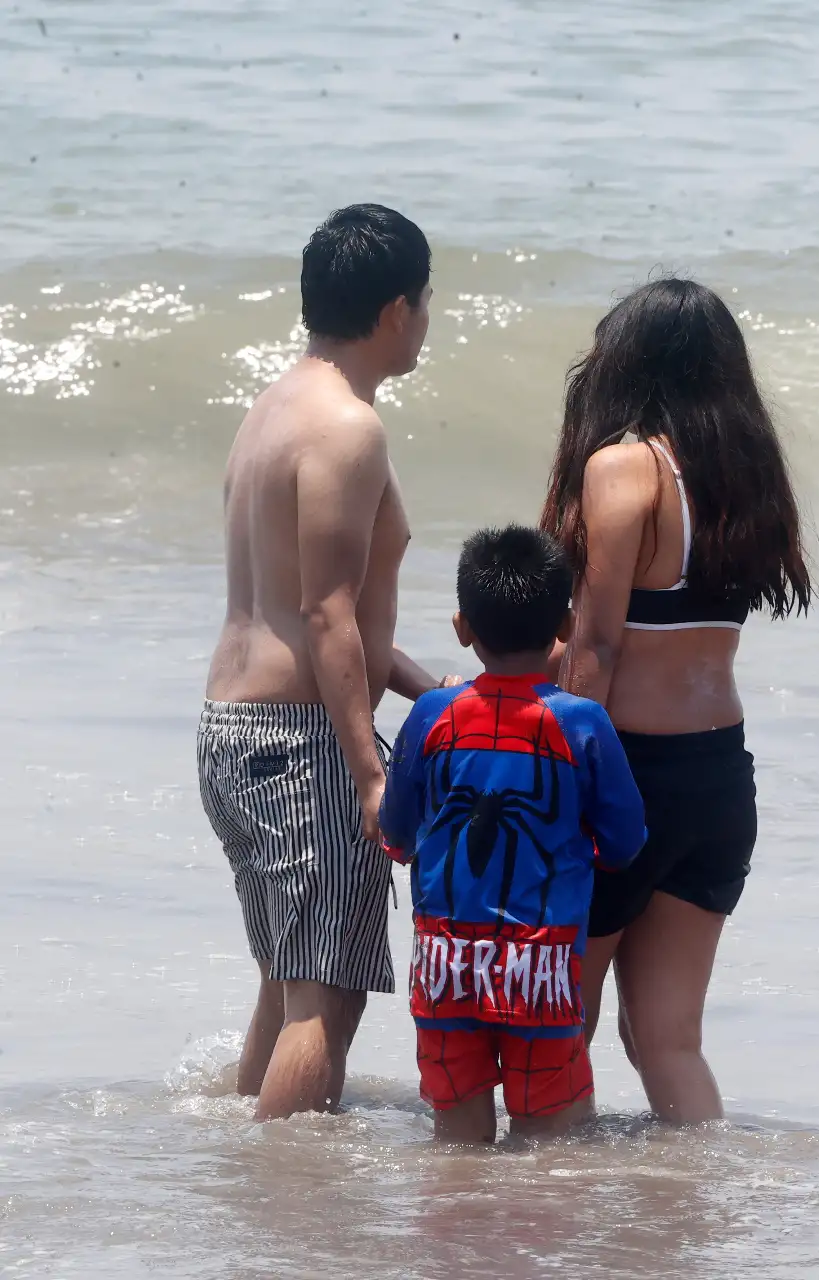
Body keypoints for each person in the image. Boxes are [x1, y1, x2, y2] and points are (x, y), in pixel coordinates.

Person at [196, 203, 450, 1120]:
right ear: (395, 310)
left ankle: (251, 1181)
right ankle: (295, 1215)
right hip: (297, 739)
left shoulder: (273, 409)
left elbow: (312, 613)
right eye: (426, 302)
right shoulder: (349, 429)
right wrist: (371, 770)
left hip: (234, 730)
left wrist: (434, 693)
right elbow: (327, 614)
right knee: (327, 998)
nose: (427, 320)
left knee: (287, 979)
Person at [540, 277, 812, 1123]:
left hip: (627, 774)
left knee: (561, 1028)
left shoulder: (623, 469)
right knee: (668, 1038)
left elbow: (599, 645)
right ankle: (691, 1212)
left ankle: (544, 1216)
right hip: (719, 781)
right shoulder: (741, 475)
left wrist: (557, 767)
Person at [379, 526, 649, 1142]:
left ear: (461, 627)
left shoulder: (430, 715)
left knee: (457, 1141)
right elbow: (626, 841)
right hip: (542, 965)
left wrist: (406, 847)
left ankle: (455, 1233)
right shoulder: (581, 722)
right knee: (549, 1143)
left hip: (446, 963)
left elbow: (397, 832)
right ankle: (530, 1239)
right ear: (565, 624)